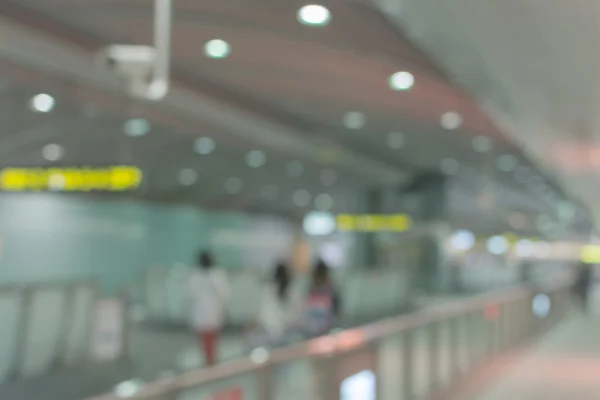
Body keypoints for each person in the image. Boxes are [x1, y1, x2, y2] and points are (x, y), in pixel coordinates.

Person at [186, 250, 230, 366]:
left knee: (205, 340)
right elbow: (224, 295)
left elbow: (190, 294)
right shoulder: (218, 275)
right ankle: (212, 361)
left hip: (200, 312)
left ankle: (208, 361)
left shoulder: (194, 276)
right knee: (213, 340)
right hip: (214, 311)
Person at [249, 262, 300, 348]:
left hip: (270, 332)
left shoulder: (269, 289)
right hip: (286, 333)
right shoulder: (293, 291)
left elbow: (263, 313)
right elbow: (296, 315)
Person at [304, 259, 341, 336]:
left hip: (312, 329)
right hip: (326, 328)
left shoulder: (311, 289)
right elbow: (336, 310)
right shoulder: (330, 289)